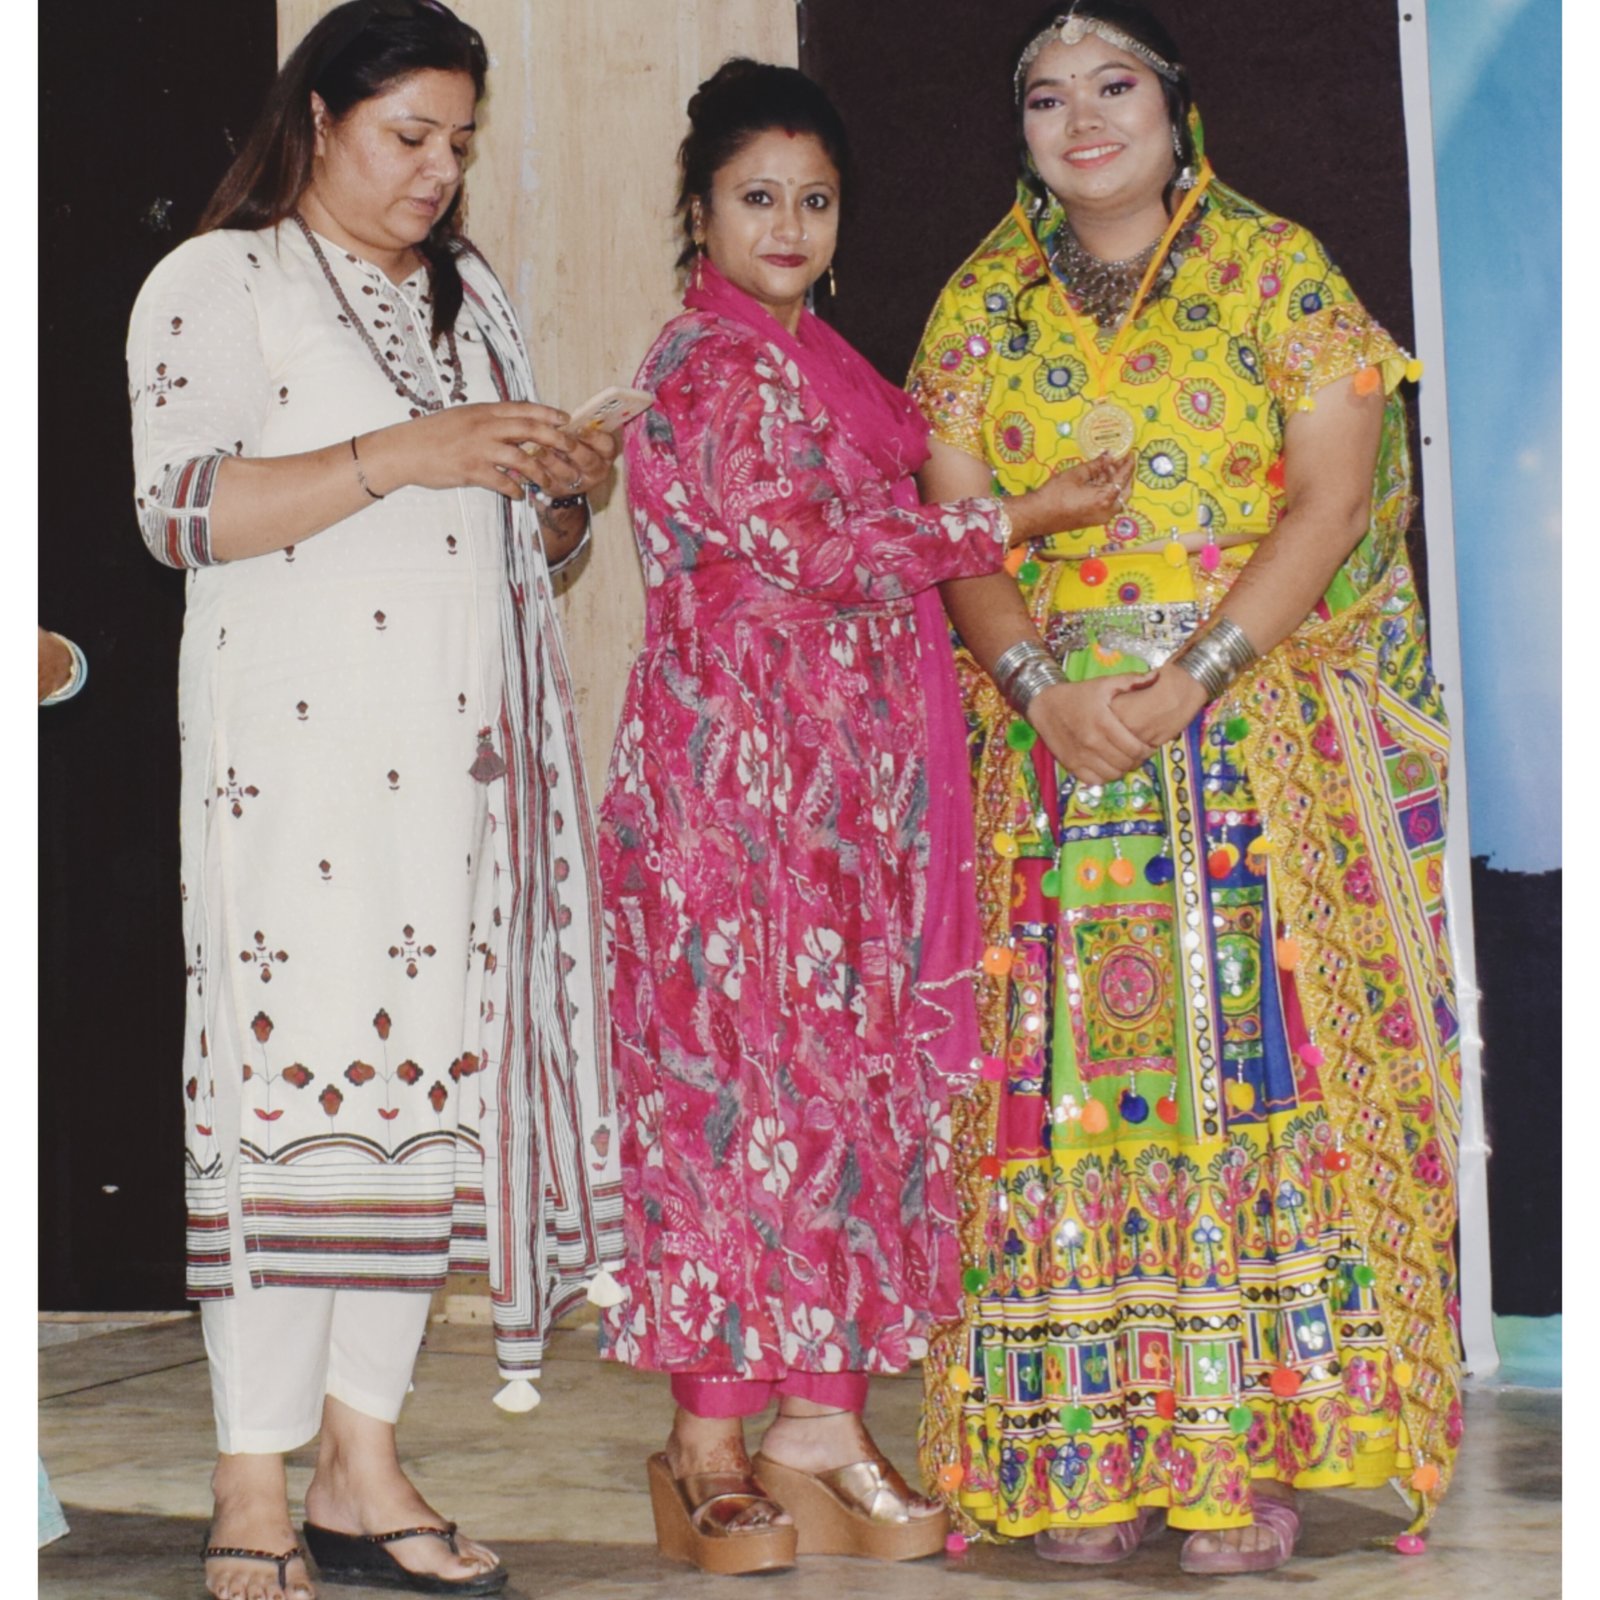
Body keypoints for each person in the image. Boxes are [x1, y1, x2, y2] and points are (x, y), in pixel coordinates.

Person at [909, 2, 1462, 1575]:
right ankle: (1079, 1446)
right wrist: (1042, 691)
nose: (1082, 119)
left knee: (1254, 1077)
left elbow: (1331, 501)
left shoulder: (1275, 272)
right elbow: (961, 531)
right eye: (1046, 97)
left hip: (1244, 746)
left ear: (1175, 108)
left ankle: (1250, 1449)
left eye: (1114, 86)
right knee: (1057, 1096)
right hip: (1056, 762)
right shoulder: (980, 305)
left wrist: (1189, 680)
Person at [596, 59, 1128, 1577]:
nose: (790, 226)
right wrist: (1024, 517)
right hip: (730, 802)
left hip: (844, 800)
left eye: (815, 200)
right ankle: (705, 1444)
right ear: (700, 211)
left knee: (846, 1093)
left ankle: (821, 1428)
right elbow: (815, 550)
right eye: (758, 198)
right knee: (731, 1100)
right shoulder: (707, 365)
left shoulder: (820, 359)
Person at [126, 4, 621, 1596]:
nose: (438, 169)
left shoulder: (466, 300)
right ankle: (250, 1476)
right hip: (295, 772)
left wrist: (563, 495)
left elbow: (515, 547)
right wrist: (410, 450)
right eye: (409, 134)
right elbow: (181, 511)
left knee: (419, 1119)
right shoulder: (223, 278)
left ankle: (362, 1458)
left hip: (456, 777)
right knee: (291, 1117)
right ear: (320, 119)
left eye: (459, 141)